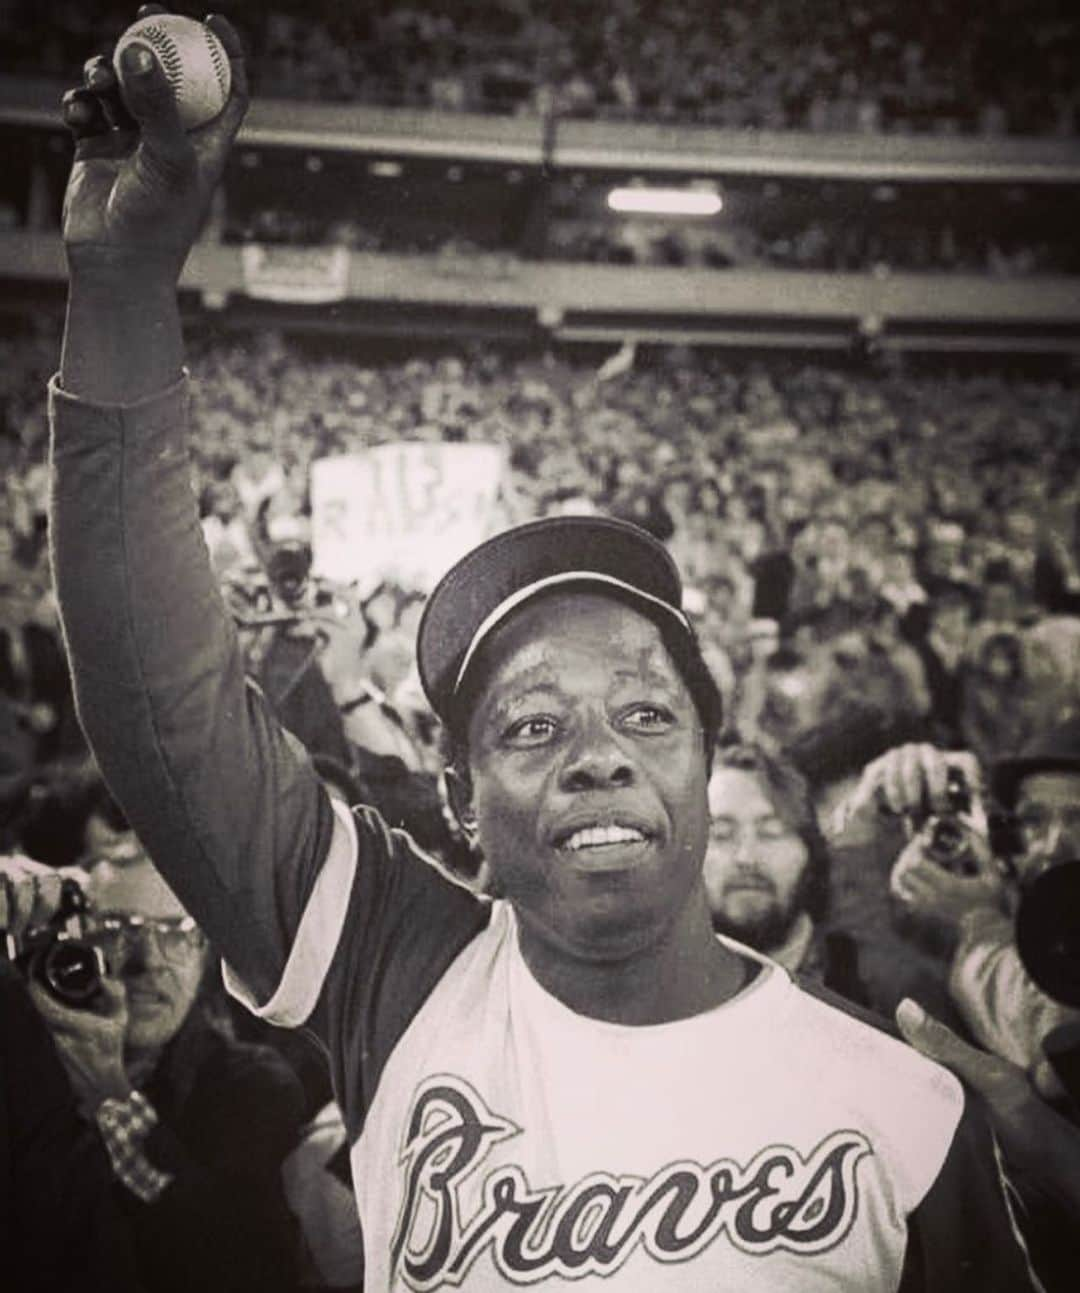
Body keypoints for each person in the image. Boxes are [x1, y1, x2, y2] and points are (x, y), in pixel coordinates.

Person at [45, 12, 1041, 1289]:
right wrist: (124, 286)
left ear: (705, 754)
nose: (595, 758)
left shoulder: (909, 1108)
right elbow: (160, 706)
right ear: (455, 794)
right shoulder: (394, 963)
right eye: (527, 724)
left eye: (644, 713)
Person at [1, 841, 305, 1293]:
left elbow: (242, 1272)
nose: (149, 962)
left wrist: (109, 1094)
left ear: (203, 955)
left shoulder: (251, 1087)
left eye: (177, 933)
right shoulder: (21, 1063)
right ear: (68, 941)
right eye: (118, 928)